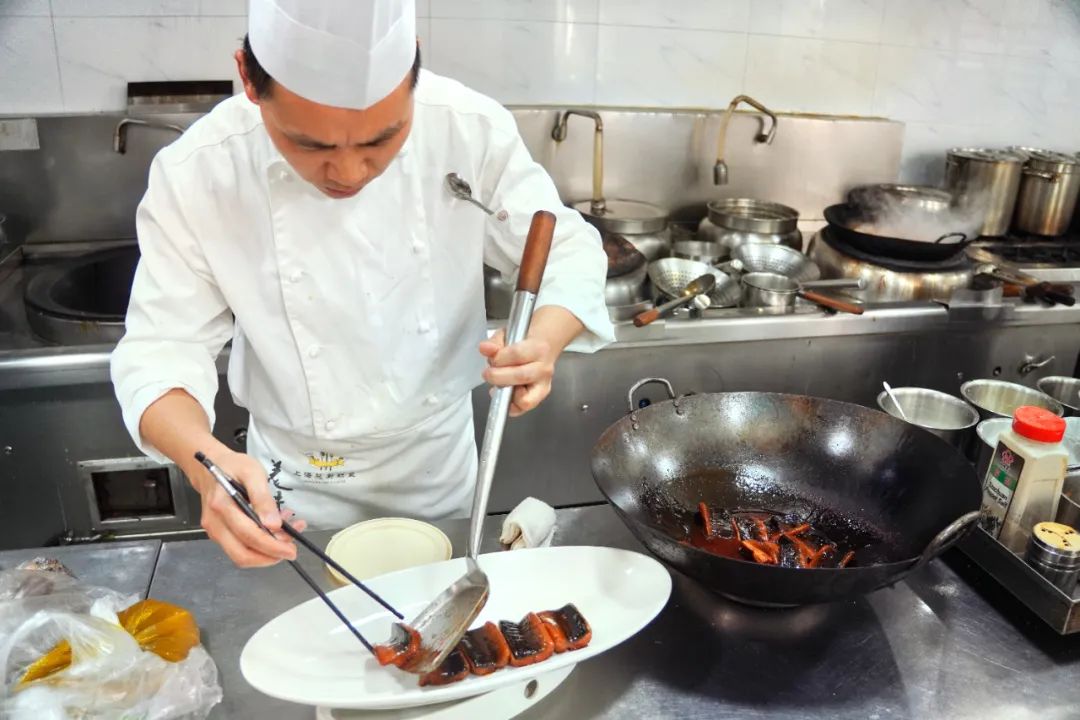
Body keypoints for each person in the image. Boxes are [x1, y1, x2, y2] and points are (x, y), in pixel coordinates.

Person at [110, 0, 612, 569]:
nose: (349, 173)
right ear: (248, 78)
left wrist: (541, 342)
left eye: (381, 140)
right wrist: (206, 466)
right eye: (311, 144)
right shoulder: (200, 170)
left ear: (413, 65)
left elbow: (567, 249)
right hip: (291, 492)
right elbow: (162, 347)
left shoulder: (467, 128)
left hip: (436, 472)